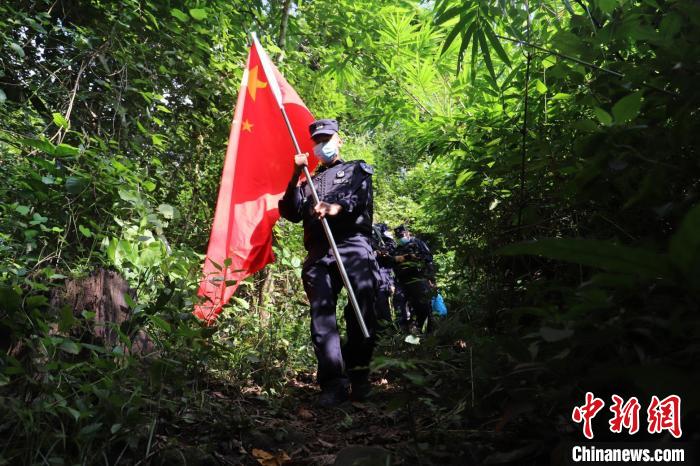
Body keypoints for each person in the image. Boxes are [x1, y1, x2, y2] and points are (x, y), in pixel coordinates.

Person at [278, 118, 379, 407]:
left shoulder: (356, 169)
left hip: (352, 246)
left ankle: (358, 373)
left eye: (327, 139)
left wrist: (334, 207)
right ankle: (333, 382)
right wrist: (295, 175)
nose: (323, 145)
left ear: (339, 139)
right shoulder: (308, 180)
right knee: (322, 316)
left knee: (362, 308)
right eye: (318, 141)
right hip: (319, 251)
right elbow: (291, 212)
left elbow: (358, 200)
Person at [392, 225, 436, 334]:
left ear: (407, 233)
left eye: (401, 235)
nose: (400, 237)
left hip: (418, 279)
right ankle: (403, 333)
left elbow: (428, 259)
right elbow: (392, 263)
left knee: (422, 306)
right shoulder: (397, 249)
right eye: (398, 236)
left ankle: (427, 333)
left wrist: (431, 279)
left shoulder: (418, 243)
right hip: (402, 281)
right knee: (399, 303)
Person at [370, 223, 397, 325]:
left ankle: (386, 331)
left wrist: (391, 283)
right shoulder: (370, 240)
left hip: (383, 277)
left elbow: (391, 260)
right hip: (372, 275)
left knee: (382, 305)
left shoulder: (386, 241)